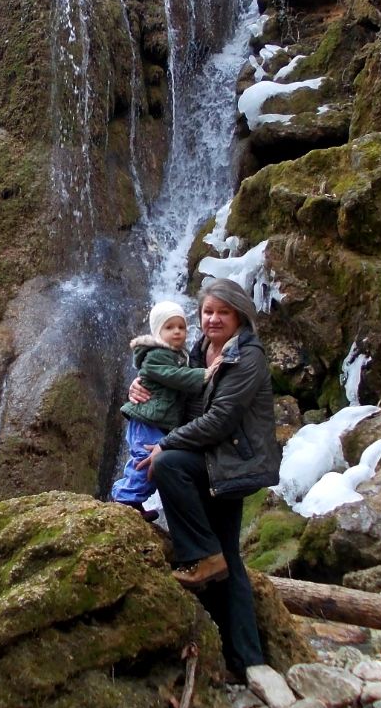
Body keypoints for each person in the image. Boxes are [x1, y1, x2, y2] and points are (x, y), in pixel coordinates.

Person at [130, 277, 280, 677]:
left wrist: (168, 444)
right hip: (209, 458)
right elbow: (180, 395)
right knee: (227, 557)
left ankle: (198, 554)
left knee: (167, 465)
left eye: (223, 312)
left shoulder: (247, 357)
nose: (213, 319)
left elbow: (220, 419)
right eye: (207, 312)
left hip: (232, 463)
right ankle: (245, 661)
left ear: (239, 315)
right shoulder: (199, 350)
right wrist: (141, 386)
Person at [110, 301, 217, 519]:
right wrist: (204, 374)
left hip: (158, 421)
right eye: (169, 327)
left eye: (181, 327)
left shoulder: (181, 355)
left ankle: (133, 500)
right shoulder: (158, 355)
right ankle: (125, 499)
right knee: (145, 458)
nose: (177, 331)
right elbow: (173, 376)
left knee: (150, 461)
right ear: (158, 331)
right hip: (147, 420)